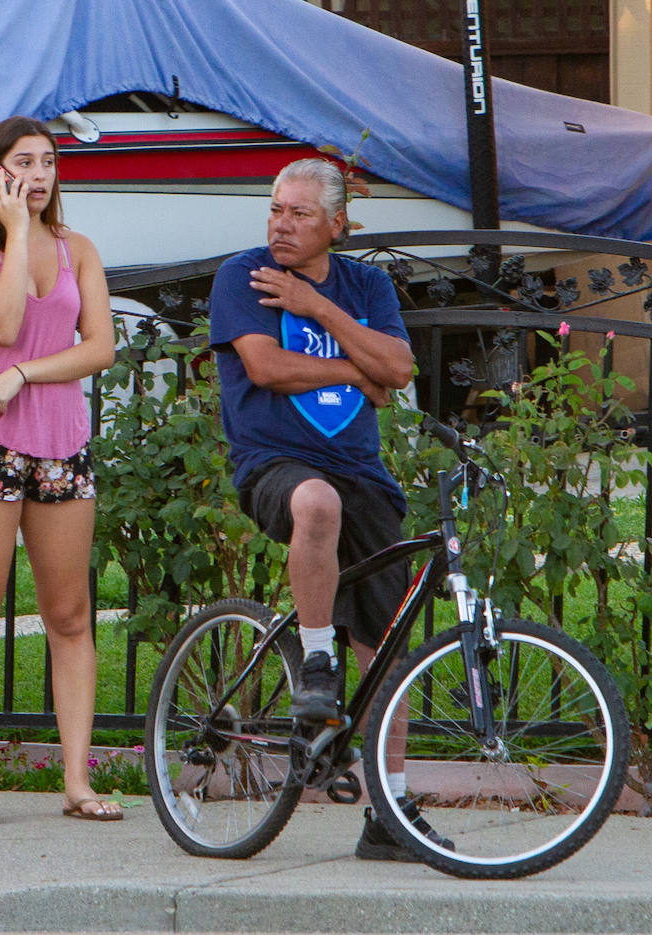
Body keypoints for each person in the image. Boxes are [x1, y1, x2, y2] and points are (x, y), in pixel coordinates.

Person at [209, 157, 452, 861]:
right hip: (274, 463)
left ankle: (391, 813)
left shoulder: (364, 285)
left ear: (336, 225)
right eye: (276, 209)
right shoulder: (245, 276)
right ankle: (316, 667)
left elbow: (400, 370)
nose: (281, 225)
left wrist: (317, 309)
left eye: (300, 214)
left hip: (361, 473)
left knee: (388, 648)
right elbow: (267, 368)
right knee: (314, 503)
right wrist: (357, 369)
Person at [0, 115, 118, 825]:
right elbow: (2, 322)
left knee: (70, 616)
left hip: (61, 443)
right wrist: (14, 237)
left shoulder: (80, 249)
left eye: (48, 162)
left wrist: (23, 375)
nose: (39, 176)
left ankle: (77, 780)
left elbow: (99, 347)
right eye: (24, 163)